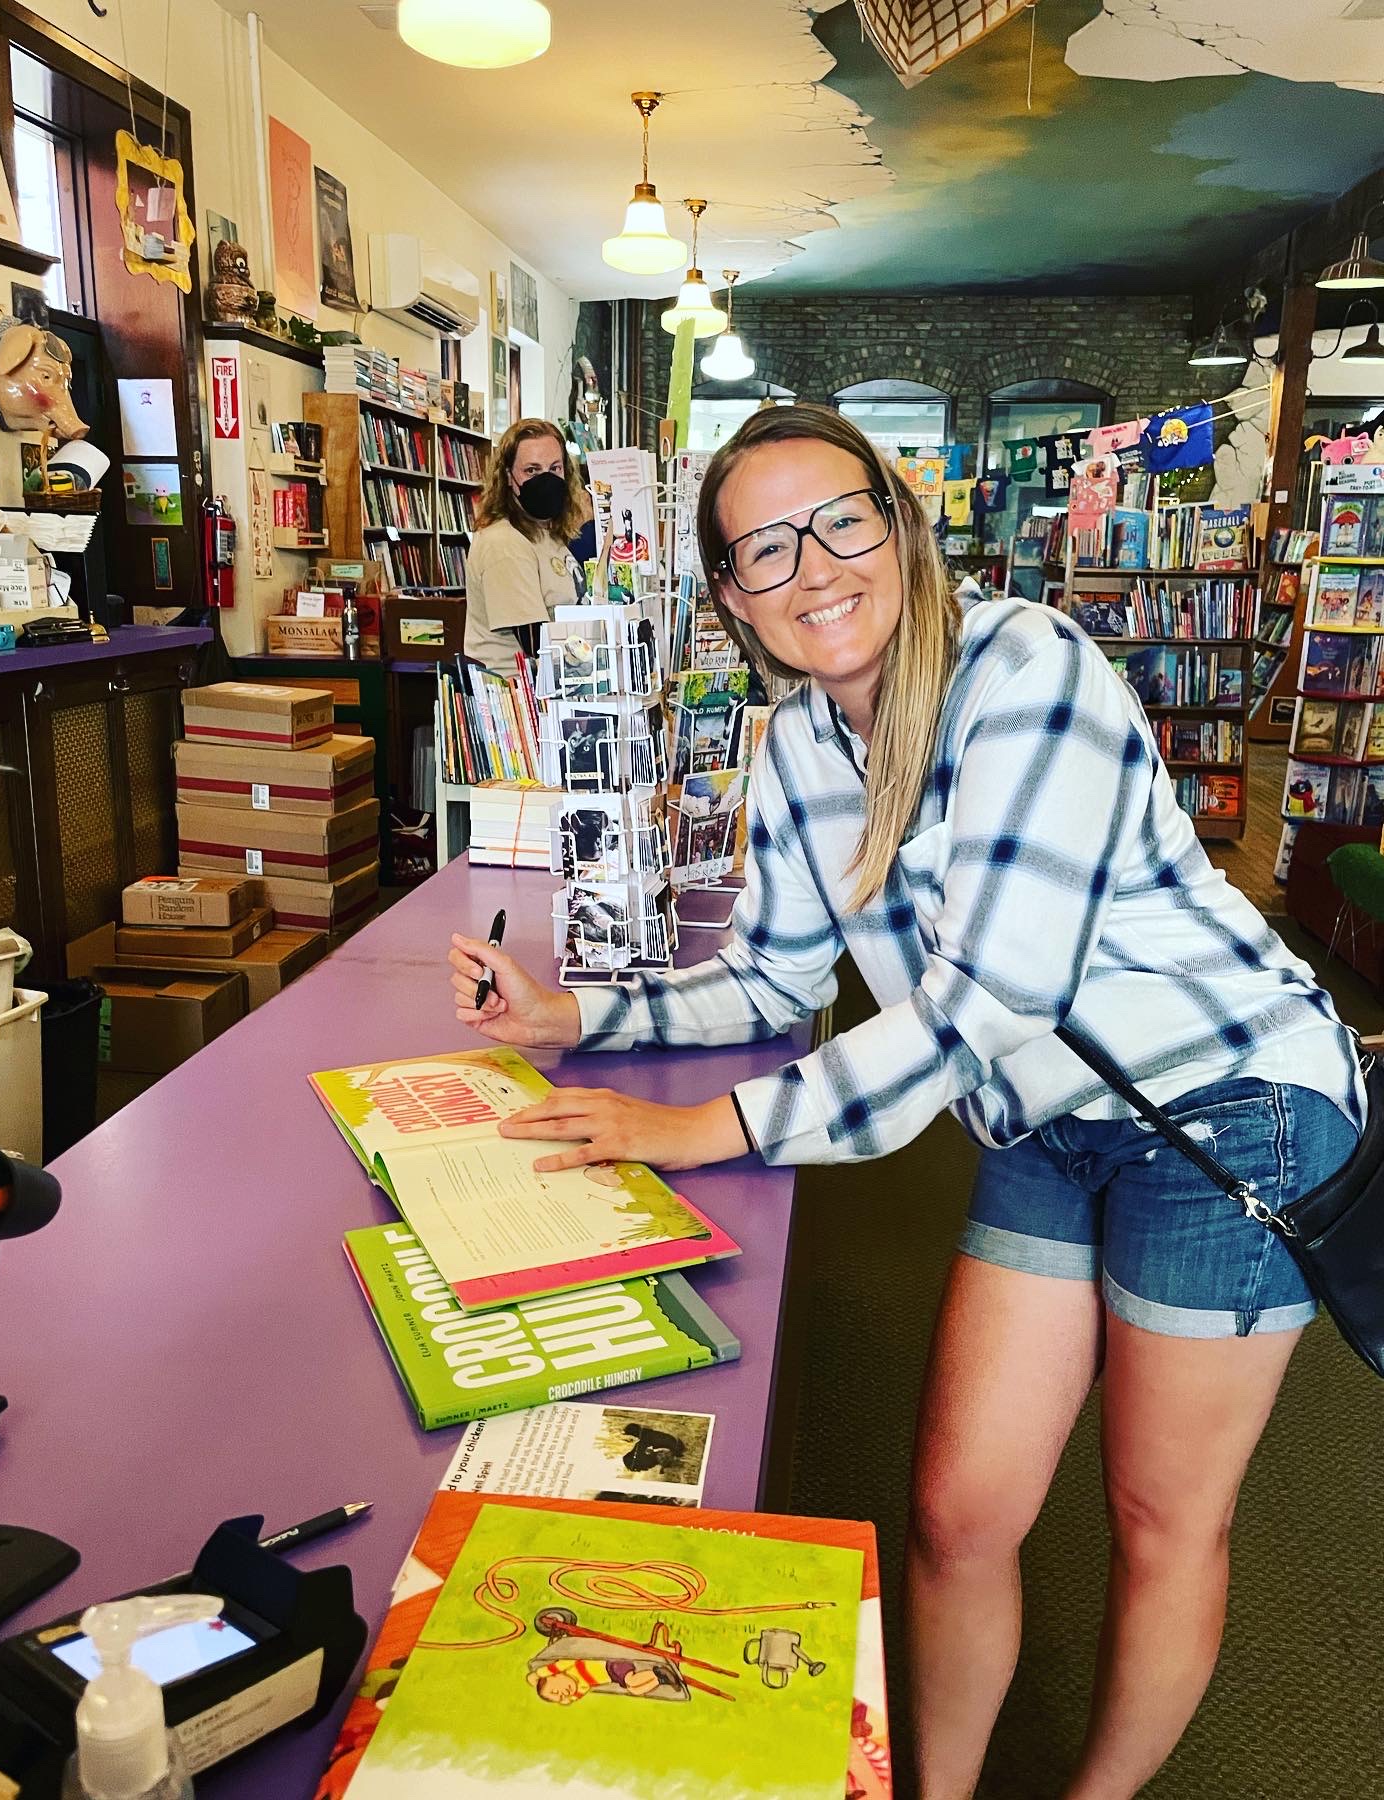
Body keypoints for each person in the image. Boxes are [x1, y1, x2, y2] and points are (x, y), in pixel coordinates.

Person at [448, 403, 1364, 1799]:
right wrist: (580, 1014)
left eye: (839, 520)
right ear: (734, 601)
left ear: (902, 522)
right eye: (763, 550)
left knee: (1159, 1516)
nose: (812, 568)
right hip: (1043, 1117)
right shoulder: (802, 747)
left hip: (1227, 1103)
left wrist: (701, 1129)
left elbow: (983, 999)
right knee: (955, 1513)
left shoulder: (1029, 668)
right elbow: (770, 983)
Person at [464, 417, 591, 673]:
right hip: (515, 699)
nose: (546, 479)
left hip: (550, 686)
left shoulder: (545, 531)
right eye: (531, 470)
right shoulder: (504, 542)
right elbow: (537, 643)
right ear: (509, 477)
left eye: (554, 468)